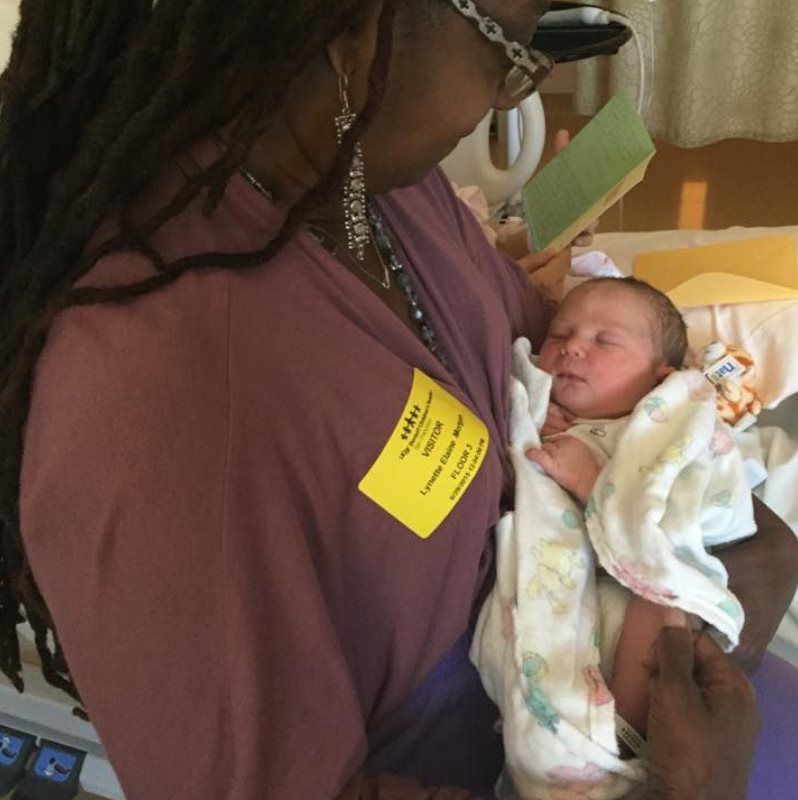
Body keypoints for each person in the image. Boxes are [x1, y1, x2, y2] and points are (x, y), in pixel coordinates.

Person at [0, 2, 794, 799]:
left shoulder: (373, 186)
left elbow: (549, 347)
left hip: (598, 654)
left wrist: (690, 506)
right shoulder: (156, 390)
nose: (509, 101)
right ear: (355, 31)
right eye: (509, 56)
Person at [472, 277, 758, 799]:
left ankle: (618, 739)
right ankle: (580, 741)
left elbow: (699, 516)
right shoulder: (550, 415)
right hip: (573, 594)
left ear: (659, 381)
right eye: (559, 335)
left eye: (605, 341)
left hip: (643, 586)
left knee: (659, 610)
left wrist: (590, 483)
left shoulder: (663, 433)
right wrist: (537, 417)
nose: (571, 347)